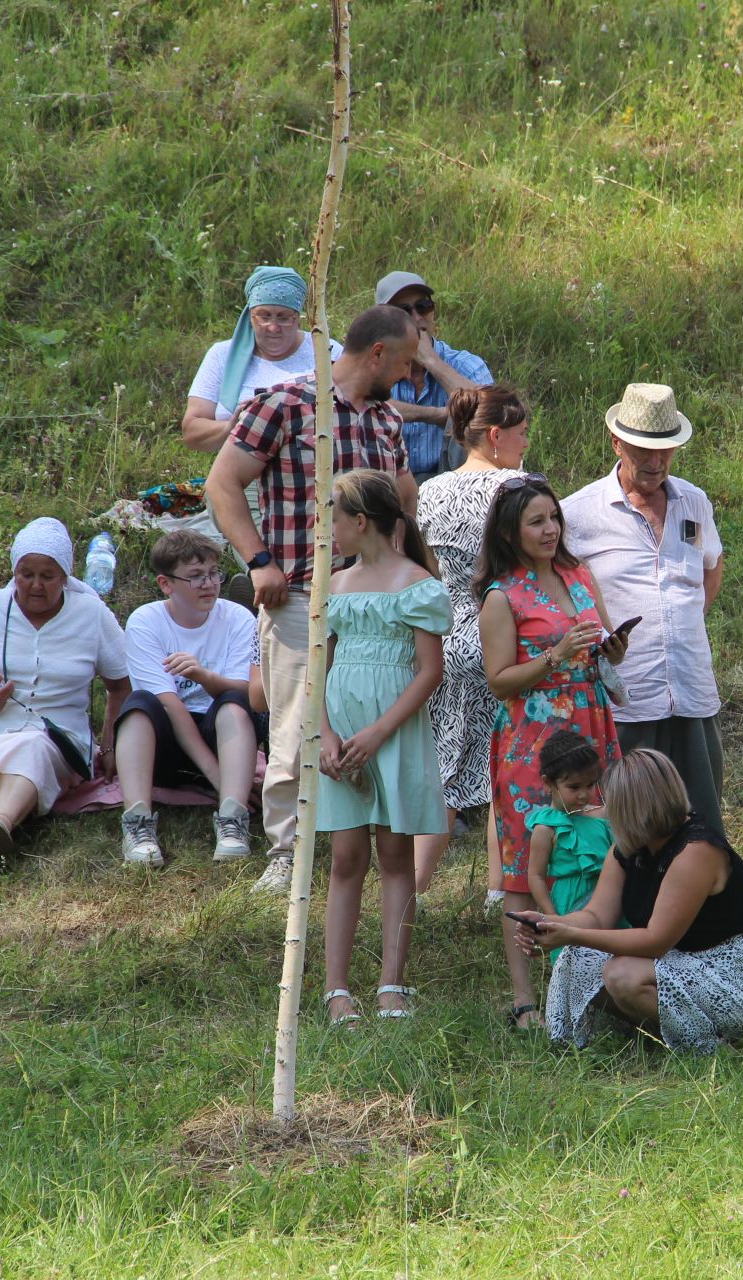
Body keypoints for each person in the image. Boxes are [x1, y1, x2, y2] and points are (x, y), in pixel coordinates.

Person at [206, 304, 419, 896]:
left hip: (374, 604)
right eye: (403, 361)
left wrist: (404, 566)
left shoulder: (385, 420)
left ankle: (362, 845)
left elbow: (405, 496)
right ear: (376, 352)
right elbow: (222, 484)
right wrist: (258, 560)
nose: (407, 374)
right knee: (299, 720)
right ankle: (287, 852)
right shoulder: (287, 403)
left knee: (367, 711)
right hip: (302, 592)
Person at [477, 474, 628, 1029]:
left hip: (591, 722)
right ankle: (524, 1001)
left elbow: (603, 644)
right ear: (511, 533)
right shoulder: (503, 595)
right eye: (535, 521)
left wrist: (613, 648)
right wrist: (557, 654)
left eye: (554, 518)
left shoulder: (580, 574)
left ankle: (595, 984)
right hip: (532, 738)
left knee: (601, 844)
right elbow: (499, 681)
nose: (549, 529)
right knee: (525, 860)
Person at [515, 749, 743, 1054]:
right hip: (675, 963)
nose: (605, 810)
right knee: (576, 956)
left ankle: (712, 1048)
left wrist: (570, 933)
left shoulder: (696, 850)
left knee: (622, 975)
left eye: (612, 803)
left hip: (731, 974)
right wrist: (548, 924)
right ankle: (670, 1035)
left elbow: (655, 941)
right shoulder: (628, 848)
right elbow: (597, 916)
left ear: (633, 809)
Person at [312, 471, 453, 1024]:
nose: (328, 531)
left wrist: (378, 733)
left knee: (395, 857)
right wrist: (325, 733)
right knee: (346, 857)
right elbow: (317, 672)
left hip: (390, 736)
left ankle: (392, 983)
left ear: (361, 522)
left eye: (334, 520)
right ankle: (336, 989)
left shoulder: (416, 584)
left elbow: (428, 673)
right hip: (340, 739)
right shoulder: (335, 585)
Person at [562, 383, 727, 830]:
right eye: (643, 450)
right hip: (626, 693)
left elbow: (712, 564)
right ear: (617, 442)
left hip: (690, 686)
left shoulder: (693, 501)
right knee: (629, 821)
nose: (656, 462)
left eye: (666, 450)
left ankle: (702, 899)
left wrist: (686, 618)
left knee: (700, 817)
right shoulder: (578, 514)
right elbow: (560, 590)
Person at [0, 518, 131, 865]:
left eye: (47, 576)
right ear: (14, 572)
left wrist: (109, 744)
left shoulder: (91, 613)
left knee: (31, 750)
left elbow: (120, 685)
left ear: (65, 576)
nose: (35, 585)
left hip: (56, 734)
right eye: (26, 574)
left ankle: (0, 824)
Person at [414, 385, 532, 891]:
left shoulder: (430, 490)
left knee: (446, 770)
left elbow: (433, 569)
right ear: (497, 434)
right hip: (506, 634)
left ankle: (410, 889)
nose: (526, 443)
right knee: (507, 767)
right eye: (523, 433)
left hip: (450, 635)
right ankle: (498, 889)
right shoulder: (519, 486)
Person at [113, 530, 264, 868]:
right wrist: (217, 777)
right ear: (166, 584)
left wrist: (202, 676)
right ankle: (137, 822)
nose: (208, 584)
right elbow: (169, 703)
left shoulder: (238, 617)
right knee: (138, 706)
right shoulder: (146, 621)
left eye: (213, 574)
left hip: (222, 739)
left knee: (233, 704)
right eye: (195, 577)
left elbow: (244, 691)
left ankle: (232, 819)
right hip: (167, 748)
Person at [179, 265, 342, 563]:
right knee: (245, 516)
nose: (273, 326)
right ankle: (262, 577)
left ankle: (266, 586)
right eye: (264, 316)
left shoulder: (327, 352)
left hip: (310, 471)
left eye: (284, 318)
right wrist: (232, 426)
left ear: (299, 318)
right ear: (250, 316)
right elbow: (192, 430)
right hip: (246, 468)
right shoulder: (222, 355)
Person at [375, 271, 494, 485]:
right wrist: (439, 416)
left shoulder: (465, 364)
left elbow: (493, 415)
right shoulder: (374, 364)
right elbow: (366, 405)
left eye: (423, 306)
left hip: (455, 484)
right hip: (390, 484)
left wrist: (432, 361)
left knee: (471, 417)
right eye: (403, 311)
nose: (417, 317)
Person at [525, 729, 614, 961]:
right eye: (574, 787)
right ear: (548, 783)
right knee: (574, 960)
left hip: (609, 898)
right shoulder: (546, 829)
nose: (584, 795)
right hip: (569, 903)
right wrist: (552, 916)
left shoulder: (602, 817)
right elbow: (536, 876)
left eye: (590, 785)